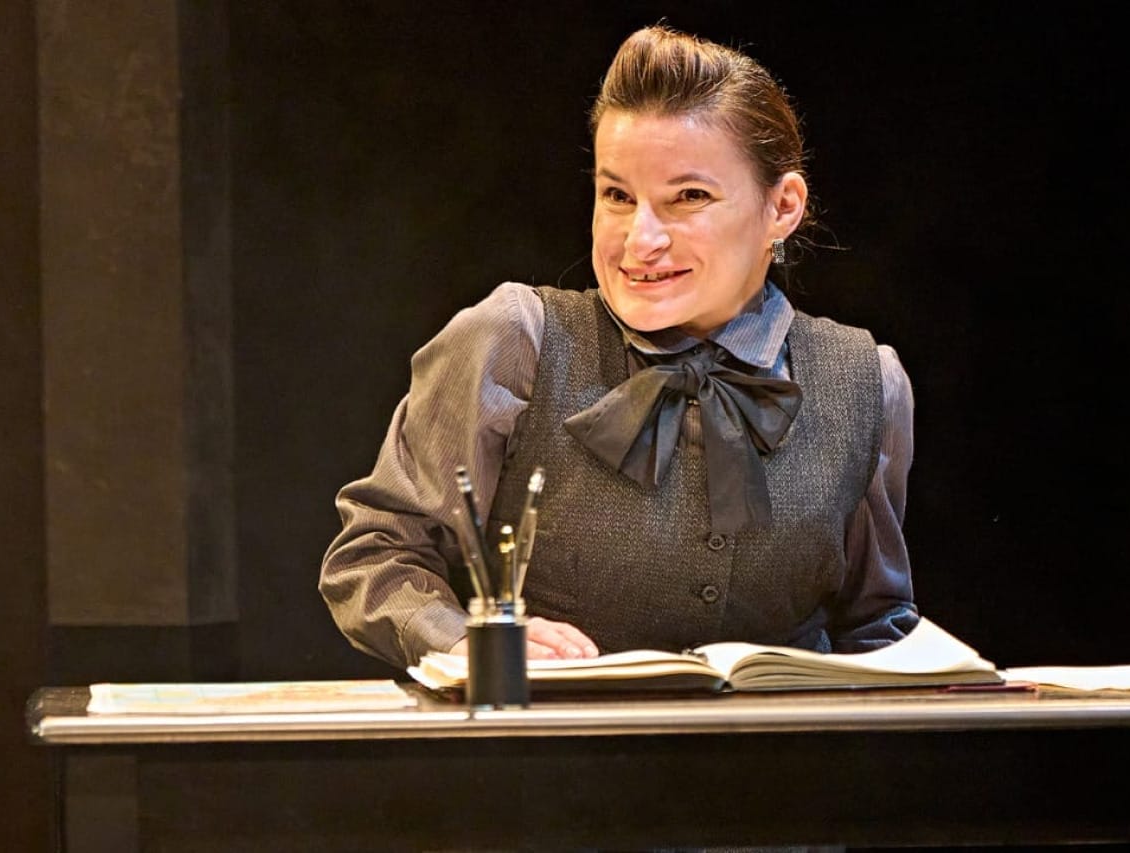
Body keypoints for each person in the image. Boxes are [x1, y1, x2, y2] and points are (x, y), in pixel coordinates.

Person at [319, 24, 919, 669]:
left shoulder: (865, 381)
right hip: (549, 756)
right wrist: (467, 640)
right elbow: (375, 555)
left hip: (779, 761)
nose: (641, 240)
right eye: (618, 196)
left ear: (783, 206)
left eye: (689, 197)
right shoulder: (516, 339)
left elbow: (875, 622)